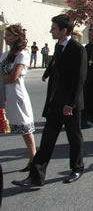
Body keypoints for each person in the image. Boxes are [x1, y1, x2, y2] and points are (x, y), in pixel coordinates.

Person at [13, 14, 87, 187]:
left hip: (70, 104)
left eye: (54, 28)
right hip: (55, 102)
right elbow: (55, 65)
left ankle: (77, 168)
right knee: (47, 139)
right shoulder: (58, 46)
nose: (51, 31)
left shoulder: (78, 49)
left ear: (64, 30)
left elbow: (80, 78)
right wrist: (47, 74)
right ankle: (36, 176)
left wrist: (71, 103)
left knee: (74, 137)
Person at [0, 25, 36, 171]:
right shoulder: (4, 55)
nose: (5, 38)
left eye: (8, 35)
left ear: (16, 37)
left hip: (15, 95)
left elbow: (13, 77)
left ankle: (33, 157)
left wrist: (2, 78)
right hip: (3, 93)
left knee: (24, 128)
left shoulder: (23, 55)